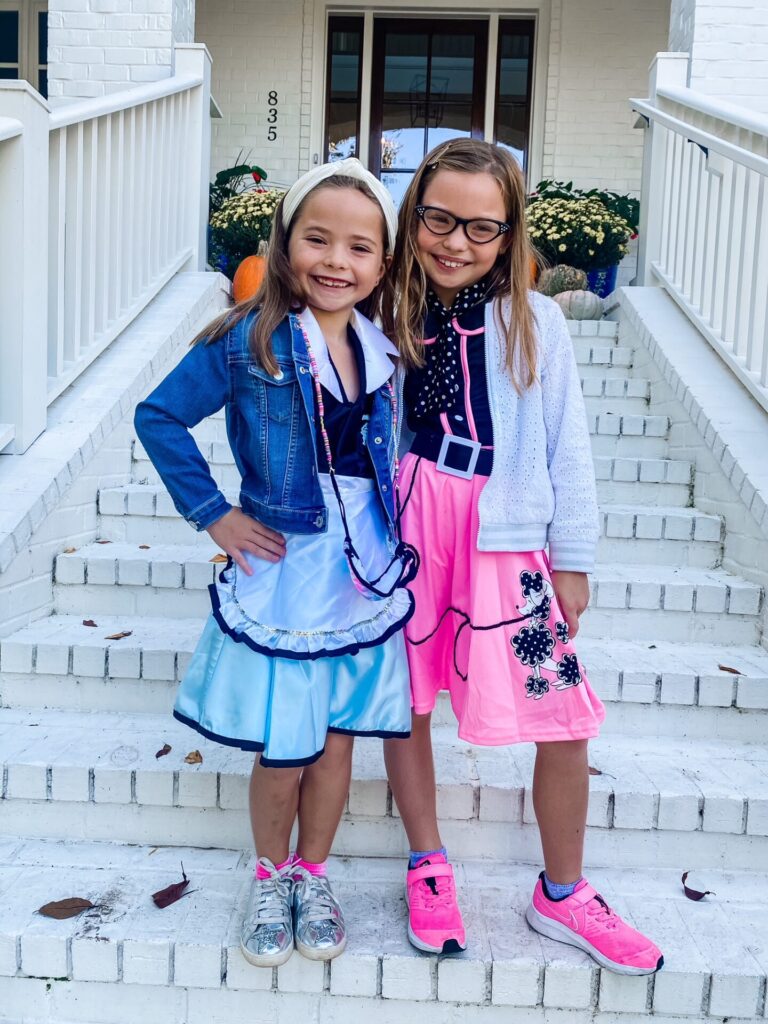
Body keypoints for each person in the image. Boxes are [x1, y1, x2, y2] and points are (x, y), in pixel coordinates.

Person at [382, 139, 663, 976]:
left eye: (480, 227)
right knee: (409, 697)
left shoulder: (536, 320)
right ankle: (428, 864)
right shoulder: (383, 306)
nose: (455, 242)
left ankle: (564, 892)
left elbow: (565, 444)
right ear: (414, 216)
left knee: (563, 712)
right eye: (438, 219)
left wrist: (571, 555)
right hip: (407, 521)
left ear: (509, 236)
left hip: (503, 530)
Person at [134, 158, 417, 969]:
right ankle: (268, 875)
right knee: (283, 747)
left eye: (361, 248)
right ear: (284, 243)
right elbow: (158, 418)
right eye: (318, 239)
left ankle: (313, 874)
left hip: (362, 572)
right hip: (286, 567)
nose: (337, 261)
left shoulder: (386, 350)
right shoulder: (245, 338)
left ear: (383, 263)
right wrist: (214, 515)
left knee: (336, 742)